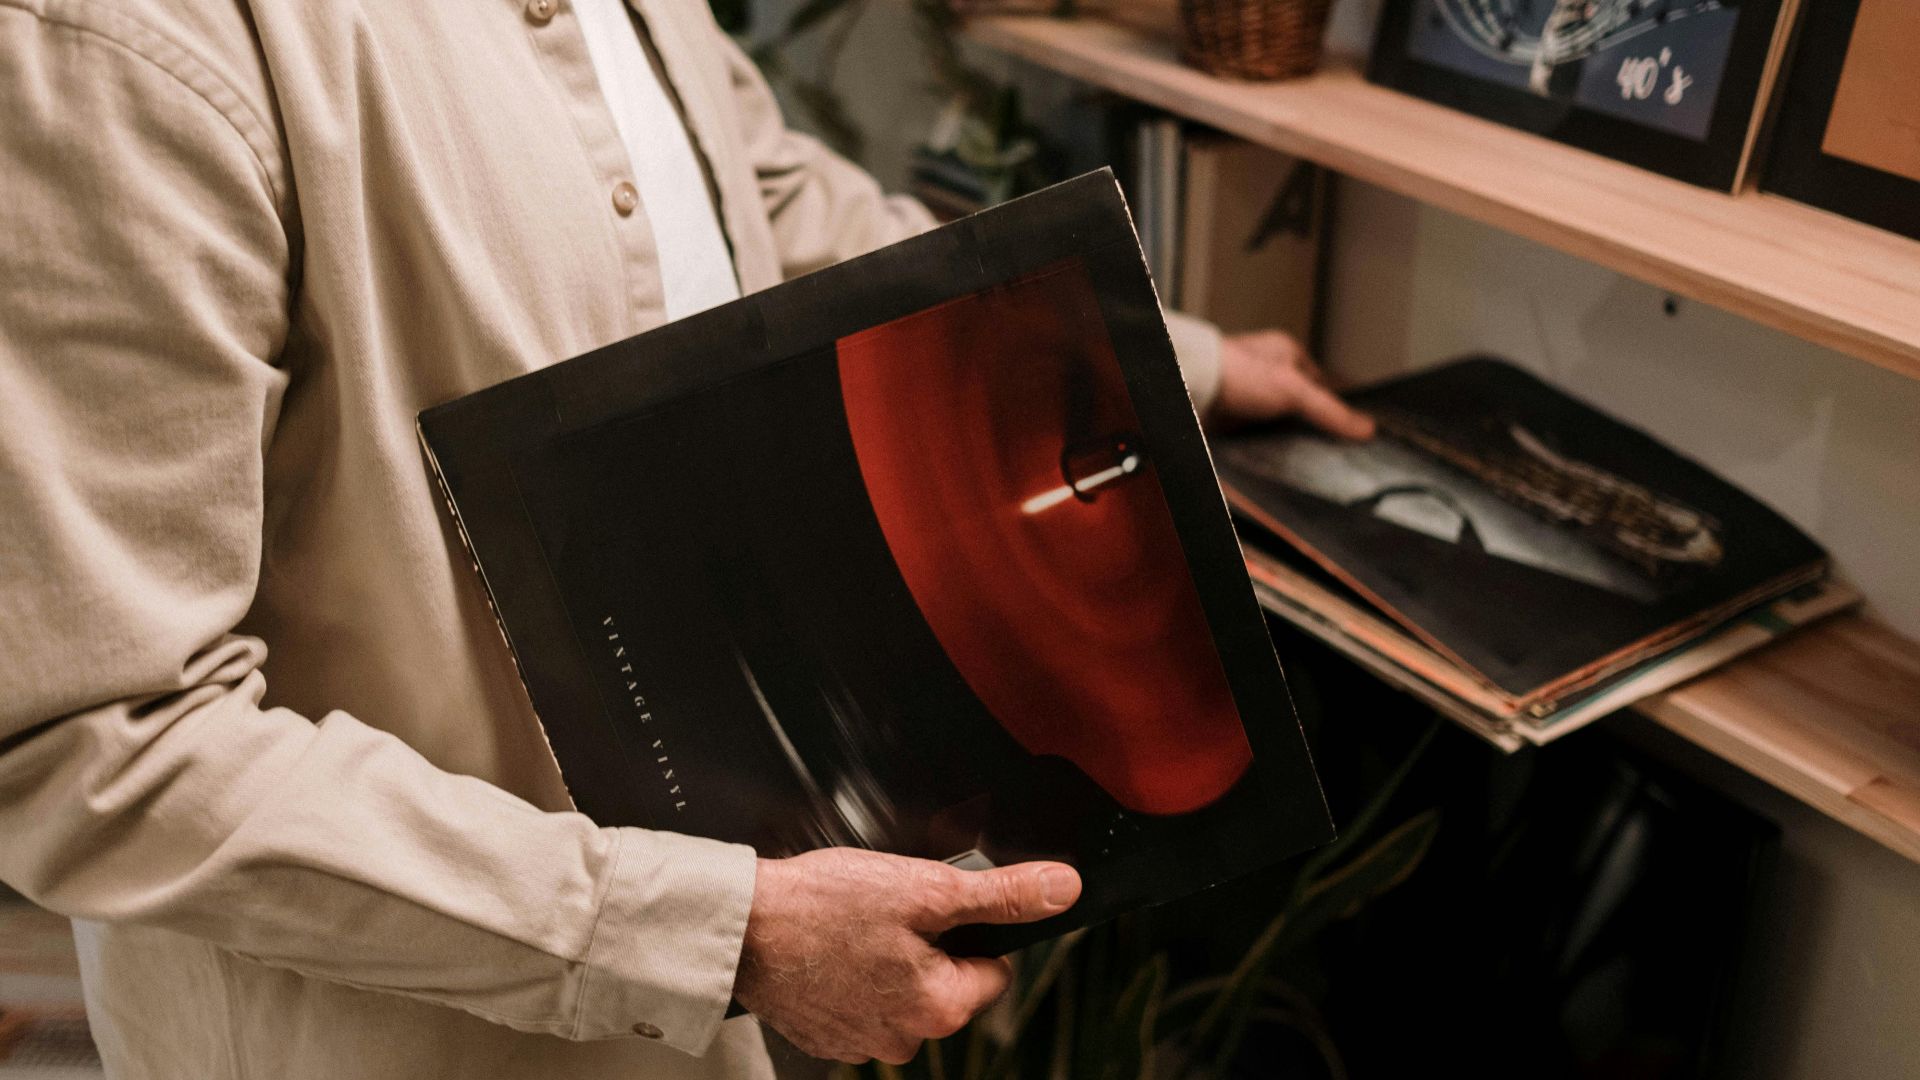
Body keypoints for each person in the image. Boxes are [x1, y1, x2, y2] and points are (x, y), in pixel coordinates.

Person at [0, 0, 1373, 1075]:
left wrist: (1170, 355)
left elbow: (757, 200)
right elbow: (98, 747)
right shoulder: (125, 43)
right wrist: (714, 934)